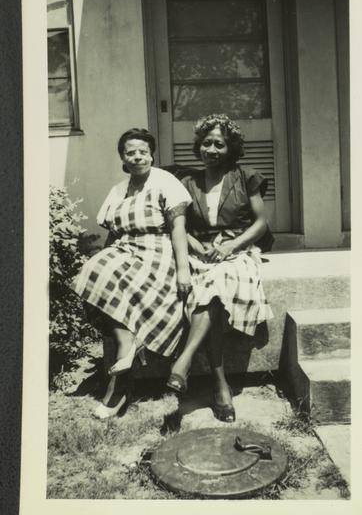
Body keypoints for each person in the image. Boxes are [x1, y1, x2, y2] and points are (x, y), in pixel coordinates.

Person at [73, 128, 192, 418]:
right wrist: (103, 260)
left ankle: (120, 382)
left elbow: (178, 229)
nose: (137, 156)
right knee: (90, 272)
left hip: (157, 252)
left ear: (151, 154)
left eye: (142, 151)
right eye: (130, 152)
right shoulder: (118, 190)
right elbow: (113, 235)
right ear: (123, 159)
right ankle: (128, 341)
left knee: (112, 274)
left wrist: (183, 270)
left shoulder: (167, 182)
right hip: (126, 248)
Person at [166, 114, 273, 423]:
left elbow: (261, 223)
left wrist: (230, 246)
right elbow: (177, 224)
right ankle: (220, 384)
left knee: (217, 279)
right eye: (206, 143)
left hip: (237, 251)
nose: (211, 150)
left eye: (219, 144)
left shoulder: (246, 177)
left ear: (231, 149)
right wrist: (195, 246)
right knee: (211, 286)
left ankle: (184, 362)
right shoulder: (187, 182)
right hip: (201, 252)